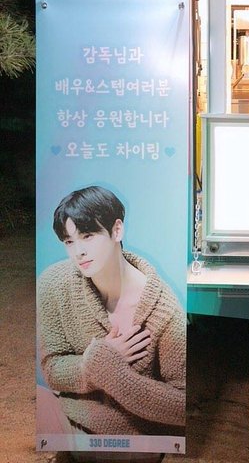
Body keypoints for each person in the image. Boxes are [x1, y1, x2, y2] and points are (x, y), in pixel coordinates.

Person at [37, 186, 186, 459]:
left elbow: (180, 405)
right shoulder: (53, 284)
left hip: (134, 441)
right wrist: (90, 365)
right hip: (71, 424)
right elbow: (52, 368)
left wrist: (110, 370)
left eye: (88, 236)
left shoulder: (164, 310)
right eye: (69, 241)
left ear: (117, 230)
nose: (78, 252)